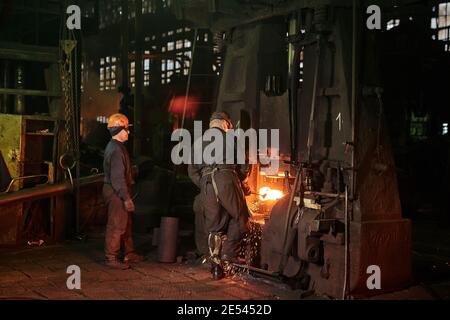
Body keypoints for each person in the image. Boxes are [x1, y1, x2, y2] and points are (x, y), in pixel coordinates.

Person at [188, 111, 251, 280]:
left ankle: (215, 267)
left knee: (214, 226)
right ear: (225, 124)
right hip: (226, 178)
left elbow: (192, 171)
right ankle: (228, 254)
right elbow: (244, 166)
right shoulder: (232, 139)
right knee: (240, 217)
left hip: (207, 183)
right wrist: (241, 182)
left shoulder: (198, 142)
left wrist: (204, 184)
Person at [103, 113, 144, 269]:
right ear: (118, 130)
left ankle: (129, 253)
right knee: (116, 225)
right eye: (126, 129)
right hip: (115, 192)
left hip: (118, 190)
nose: (128, 132)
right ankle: (111, 258)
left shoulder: (118, 147)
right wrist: (126, 198)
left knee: (126, 224)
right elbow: (117, 178)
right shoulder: (116, 150)